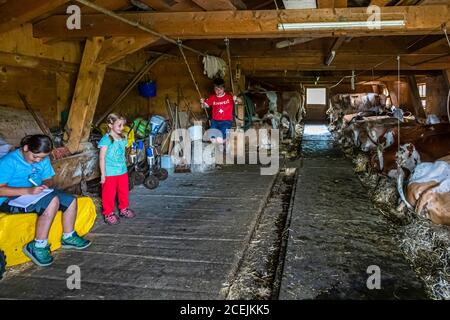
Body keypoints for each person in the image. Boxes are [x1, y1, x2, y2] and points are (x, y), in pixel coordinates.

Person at [0, 134, 91, 267]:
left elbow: (48, 179)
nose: (38, 160)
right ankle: (38, 245)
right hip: (10, 199)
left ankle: (68, 236)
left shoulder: (43, 159)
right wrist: (28, 191)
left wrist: (44, 185)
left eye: (42, 158)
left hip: (35, 193)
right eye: (35, 157)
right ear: (25, 148)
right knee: (52, 201)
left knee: (70, 200)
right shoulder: (9, 161)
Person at [99, 113, 135, 225]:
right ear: (110, 125)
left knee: (124, 191)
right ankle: (108, 213)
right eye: (119, 125)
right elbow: (101, 158)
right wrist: (103, 175)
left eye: (123, 125)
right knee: (108, 194)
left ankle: (123, 209)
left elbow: (123, 153)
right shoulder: (106, 140)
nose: (122, 128)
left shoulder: (122, 138)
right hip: (110, 173)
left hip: (122, 171)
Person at [200, 78, 240, 144]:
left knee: (221, 135)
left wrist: (236, 98)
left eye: (220, 89)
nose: (218, 91)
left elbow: (239, 101)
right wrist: (202, 102)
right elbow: (204, 106)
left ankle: (224, 140)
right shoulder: (212, 98)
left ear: (224, 88)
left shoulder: (229, 97)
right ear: (214, 89)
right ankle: (220, 142)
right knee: (212, 137)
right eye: (216, 89)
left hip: (226, 121)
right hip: (215, 121)